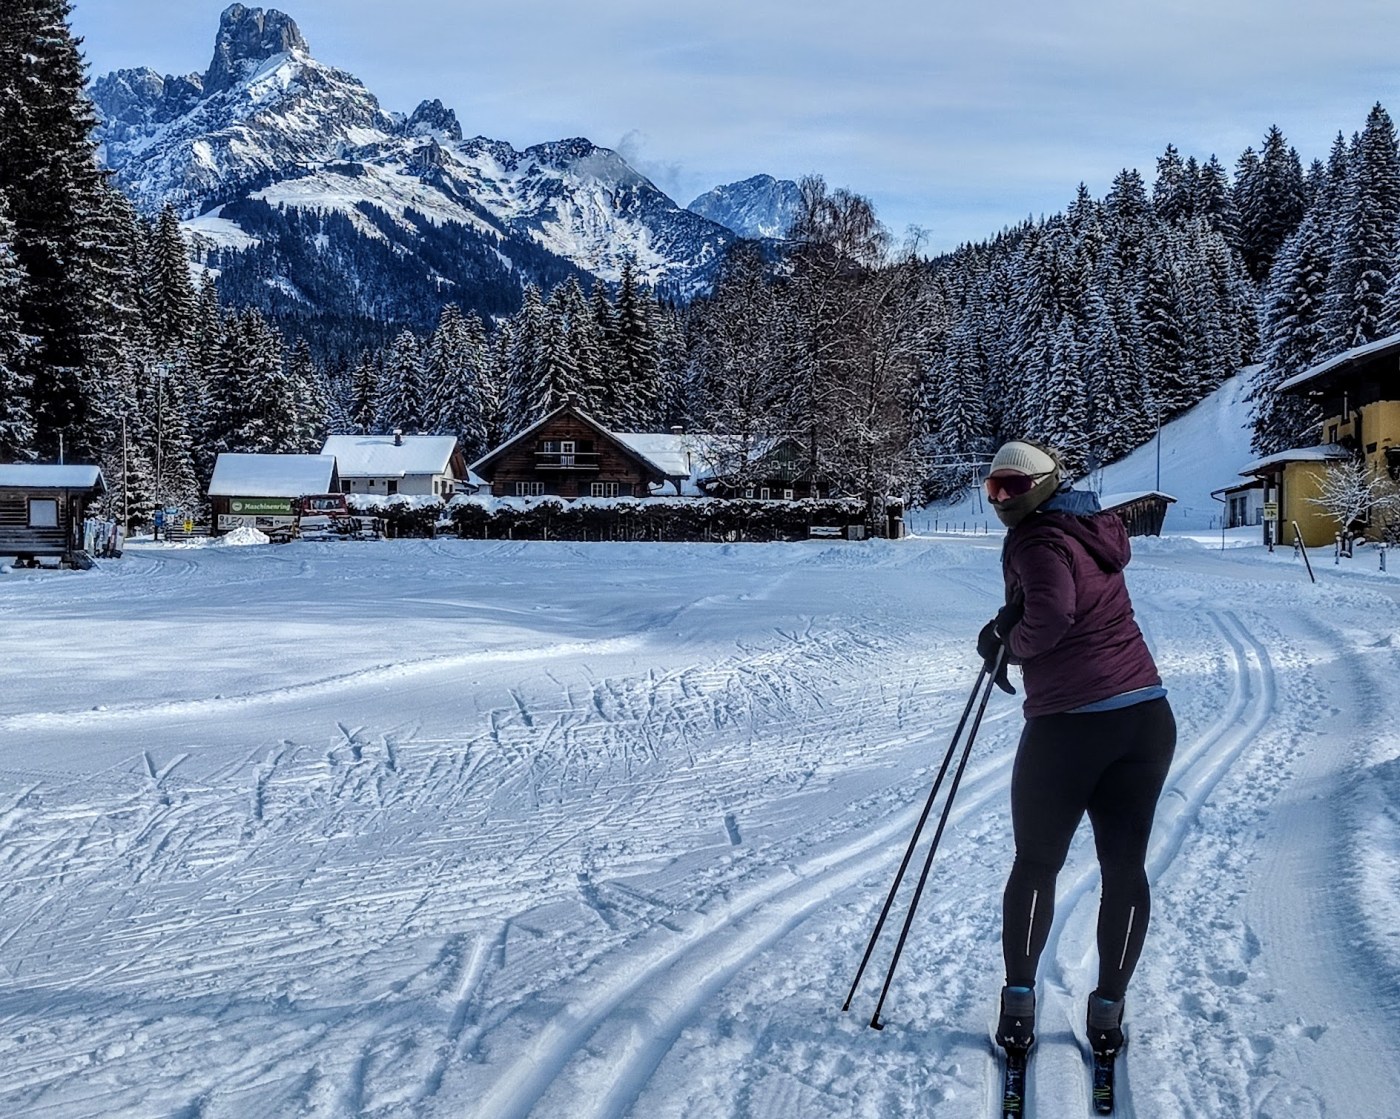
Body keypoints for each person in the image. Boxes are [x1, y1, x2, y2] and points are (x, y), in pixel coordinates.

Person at [976, 439, 1176, 1060]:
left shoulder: (1038, 539)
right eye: (992, 489)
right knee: (1124, 868)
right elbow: (1069, 604)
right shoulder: (1093, 525)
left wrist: (1010, 644)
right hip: (1145, 716)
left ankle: (1018, 1009)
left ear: (1042, 485)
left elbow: (1054, 614)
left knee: (1036, 864)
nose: (1002, 499)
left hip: (1070, 727)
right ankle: (1108, 1015)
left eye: (1012, 487)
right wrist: (1016, 624)